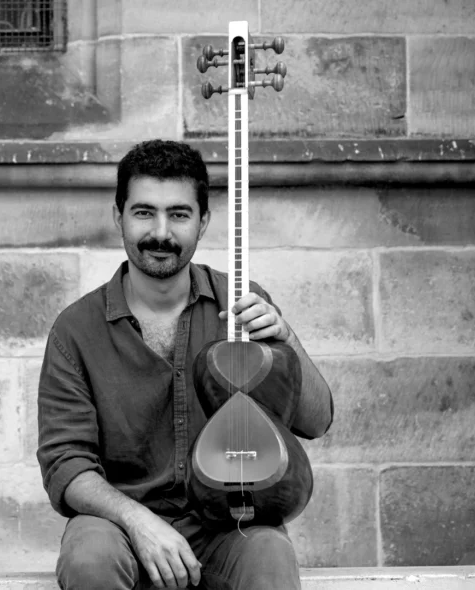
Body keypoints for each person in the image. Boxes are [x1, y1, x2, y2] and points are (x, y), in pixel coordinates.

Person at [37, 139, 333, 590]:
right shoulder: (75, 329)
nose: (161, 232)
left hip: (226, 524)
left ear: (203, 221)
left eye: (178, 214)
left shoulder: (242, 306)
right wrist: (138, 521)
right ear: (118, 216)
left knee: (270, 552)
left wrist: (285, 337)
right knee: (89, 557)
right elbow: (66, 463)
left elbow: (317, 420)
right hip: (119, 525)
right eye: (144, 212)